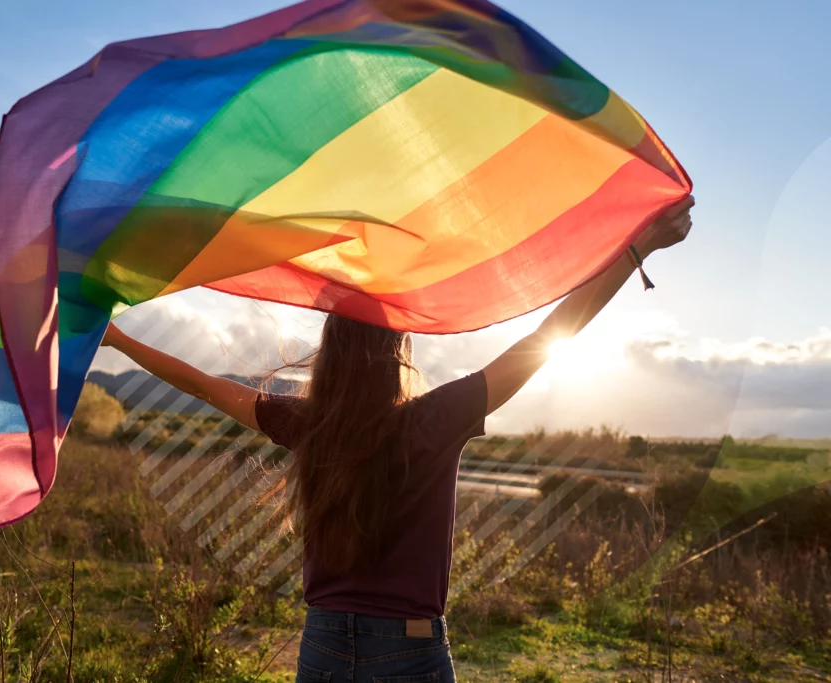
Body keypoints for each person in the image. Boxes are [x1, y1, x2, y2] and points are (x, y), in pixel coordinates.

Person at [101, 195, 694, 682]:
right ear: (399, 352)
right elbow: (543, 339)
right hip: (409, 653)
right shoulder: (434, 419)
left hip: (323, 646)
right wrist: (635, 252)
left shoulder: (309, 426)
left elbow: (205, 387)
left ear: (332, 354)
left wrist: (122, 341)